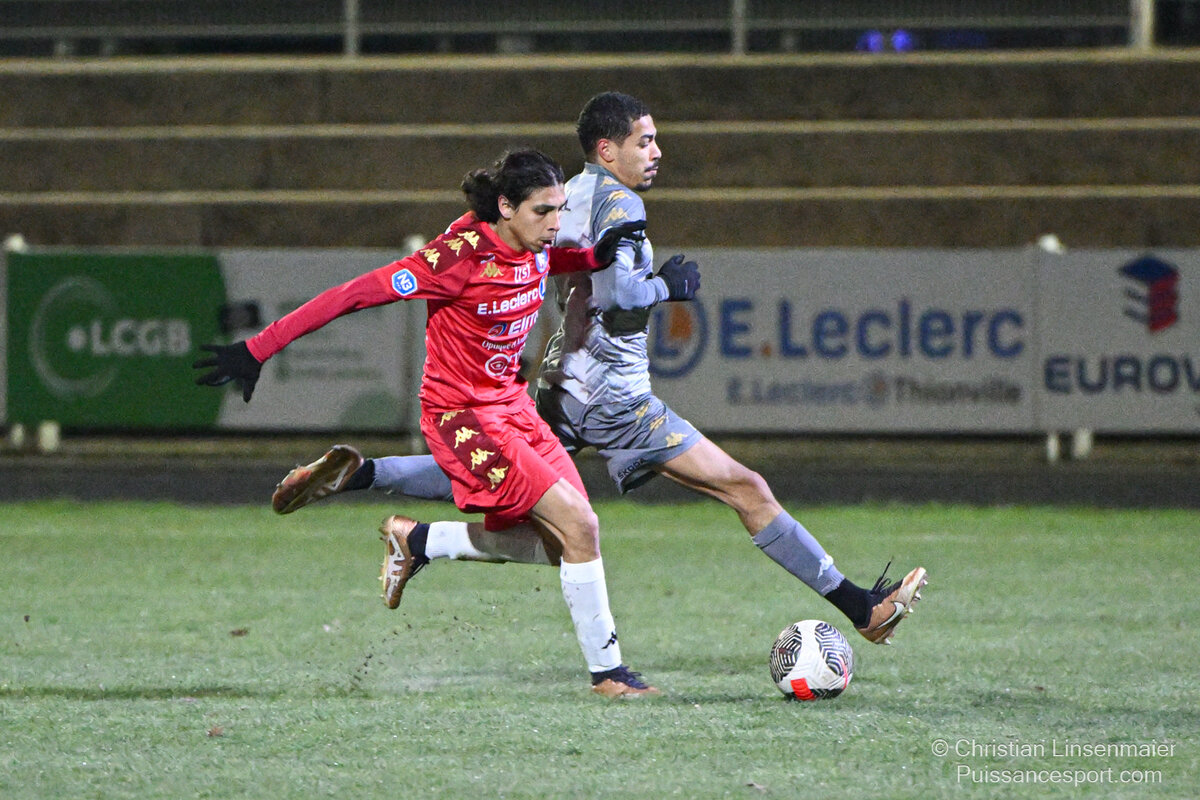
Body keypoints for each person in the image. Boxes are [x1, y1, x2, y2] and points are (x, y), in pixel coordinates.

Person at [272, 93, 927, 646]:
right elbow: (619, 297)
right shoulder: (621, 205)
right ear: (608, 150)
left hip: (564, 383)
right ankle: (861, 610)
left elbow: (542, 264)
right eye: (645, 141)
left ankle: (381, 497)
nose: (657, 152)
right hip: (616, 396)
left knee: (512, 499)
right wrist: (668, 287)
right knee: (745, 489)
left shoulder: (565, 197)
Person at [194, 147, 659, 698]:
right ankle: (609, 677)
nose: (556, 224)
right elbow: (352, 295)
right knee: (579, 526)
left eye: (560, 209)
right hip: (464, 416)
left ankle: (418, 538)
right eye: (543, 211)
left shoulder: (534, 242)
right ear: (505, 208)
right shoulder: (454, 259)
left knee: (567, 544)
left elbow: (546, 262)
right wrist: (258, 348)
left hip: (512, 408)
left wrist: (591, 257)